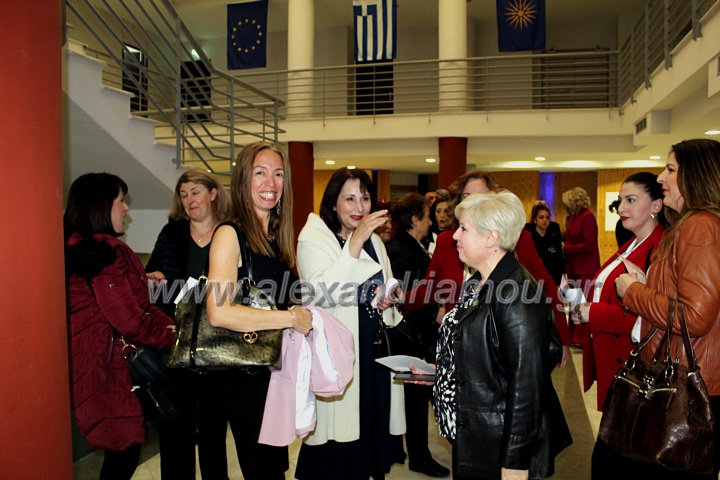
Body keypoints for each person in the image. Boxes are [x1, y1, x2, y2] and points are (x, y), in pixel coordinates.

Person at [432, 191, 571, 480]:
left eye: (463, 228)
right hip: (477, 432)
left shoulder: (516, 294)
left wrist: (515, 461)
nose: (455, 235)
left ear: (491, 238)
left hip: (498, 442)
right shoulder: (478, 282)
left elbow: (527, 383)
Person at [204, 141, 313, 480]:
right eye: (260, 173)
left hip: (271, 371)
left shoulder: (274, 236)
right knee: (263, 469)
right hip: (243, 375)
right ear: (242, 180)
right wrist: (289, 318)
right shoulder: (230, 234)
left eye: (278, 174)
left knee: (273, 467)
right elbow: (219, 311)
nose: (271, 183)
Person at [611, 139, 720, 479]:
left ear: (695, 176)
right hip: (687, 381)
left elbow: (695, 317)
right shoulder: (693, 225)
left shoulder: (700, 226)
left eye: (671, 169)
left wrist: (634, 292)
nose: (660, 177)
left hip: (687, 389)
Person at [295, 167, 406, 480]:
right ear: (333, 203)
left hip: (374, 354)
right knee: (339, 445)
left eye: (365, 198)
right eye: (350, 199)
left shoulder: (376, 243)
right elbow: (323, 294)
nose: (359, 207)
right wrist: (355, 241)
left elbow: (385, 288)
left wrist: (389, 297)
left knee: (371, 430)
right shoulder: (314, 239)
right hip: (338, 358)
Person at [64, 173, 175, 480]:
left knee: (120, 451)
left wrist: (168, 325)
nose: (126, 209)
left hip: (94, 364)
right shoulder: (105, 253)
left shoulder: (75, 247)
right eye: (121, 201)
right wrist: (172, 338)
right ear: (100, 205)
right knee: (123, 452)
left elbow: (130, 305)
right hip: (110, 370)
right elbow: (130, 320)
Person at [406, 170, 571, 366]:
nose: (474, 203)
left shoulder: (519, 240)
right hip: (458, 347)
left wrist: (563, 338)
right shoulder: (448, 241)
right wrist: (397, 299)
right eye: (467, 197)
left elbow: (546, 286)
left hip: (501, 350)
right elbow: (429, 289)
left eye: (481, 197)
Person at [145, 169, 231, 479]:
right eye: (183, 195)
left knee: (212, 432)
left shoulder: (229, 233)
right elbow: (154, 276)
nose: (189, 200)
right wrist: (152, 281)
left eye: (195, 192)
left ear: (212, 194)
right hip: (176, 342)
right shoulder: (172, 233)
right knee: (175, 431)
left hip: (217, 344)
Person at [569, 172, 666, 412]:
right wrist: (586, 311)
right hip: (616, 364)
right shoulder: (632, 244)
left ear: (656, 206)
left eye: (631, 200)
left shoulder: (659, 250)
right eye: (621, 200)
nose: (621, 207)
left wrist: (594, 313)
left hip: (634, 368)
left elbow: (651, 317)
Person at [386, 193, 450, 478]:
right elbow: (404, 299)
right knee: (415, 399)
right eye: (426, 216)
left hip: (417, 337)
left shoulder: (411, 246)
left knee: (418, 397)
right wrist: (435, 309)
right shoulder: (403, 250)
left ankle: (417, 454)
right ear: (414, 220)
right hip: (411, 339)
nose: (431, 222)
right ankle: (419, 457)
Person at [562, 187, 601, 348]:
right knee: (574, 301)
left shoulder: (588, 217)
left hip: (586, 267)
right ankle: (574, 335)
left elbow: (589, 244)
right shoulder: (574, 216)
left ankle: (581, 337)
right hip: (574, 267)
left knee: (582, 302)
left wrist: (566, 247)